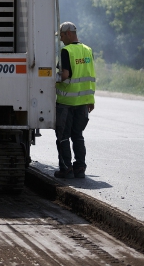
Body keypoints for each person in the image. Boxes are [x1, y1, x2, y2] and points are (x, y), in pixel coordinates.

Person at [54, 22, 96, 179]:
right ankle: (80, 168)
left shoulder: (66, 51)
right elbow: (90, 75)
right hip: (84, 102)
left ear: (69, 34)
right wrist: (91, 100)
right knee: (78, 135)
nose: (61, 40)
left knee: (63, 136)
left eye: (62, 36)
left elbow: (65, 74)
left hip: (66, 102)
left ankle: (66, 169)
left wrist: (51, 81)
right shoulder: (88, 50)